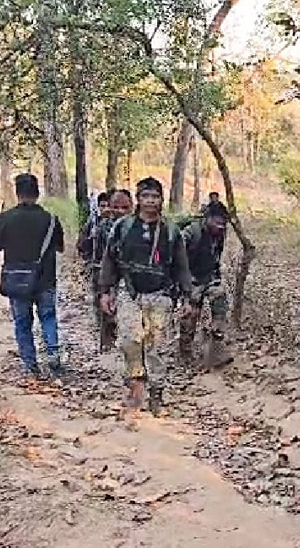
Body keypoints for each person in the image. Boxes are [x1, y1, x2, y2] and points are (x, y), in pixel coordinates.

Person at [98, 177, 193, 421]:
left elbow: (182, 266)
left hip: (161, 294)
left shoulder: (171, 231)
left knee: (157, 347)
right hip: (129, 292)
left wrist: (187, 298)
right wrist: (105, 291)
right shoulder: (123, 227)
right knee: (130, 339)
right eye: (146, 197)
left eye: (155, 197)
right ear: (138, 200)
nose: (150, 201)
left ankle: (157, 393)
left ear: (161, 200)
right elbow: (110, 260)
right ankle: (136, 385)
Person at [0, 173, 65, 379]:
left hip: (17, 281)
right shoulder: (50, 220)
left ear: (17, 192)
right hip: (45, 279)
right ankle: (53, 353)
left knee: (23, 322)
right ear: (37, 192)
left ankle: (30, 363)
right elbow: (60, 247)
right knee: (48, 317)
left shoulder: (4, 219)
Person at [178, 201, 232, 367]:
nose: (220, 226)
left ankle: (216, 348)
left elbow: (216, 257)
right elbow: (177, 258)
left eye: (223, 223)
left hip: (209, 276)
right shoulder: (190, 232)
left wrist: (216, 278)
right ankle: (185, 354)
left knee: (220, 298)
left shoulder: (220, 234)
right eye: (217, 222)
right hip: (190, 277)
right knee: (191, 314)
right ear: (207, 218)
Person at [91, 190, 133, 352]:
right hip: (107, 274)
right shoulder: (103, 227)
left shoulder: (138, 226)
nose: (120, 211)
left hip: (131, 278)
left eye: (125, 207)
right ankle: (108, 350)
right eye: (116, 207)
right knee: (108, 316)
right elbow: (97, 255)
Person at [77, 192, 111, 266]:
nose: (106, 209)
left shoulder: (117, 222)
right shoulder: (92, 222)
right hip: (95, 264)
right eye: (102, 206)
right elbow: (81, 244)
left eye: (108, 206)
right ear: (98, 207)